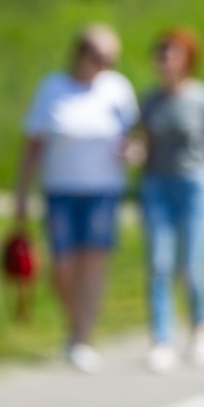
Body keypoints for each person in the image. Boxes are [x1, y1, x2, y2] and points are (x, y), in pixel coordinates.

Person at [14, 24, 139, 373]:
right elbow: (33, 145)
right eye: (100, 57)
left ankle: (83, 336)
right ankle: (74, 324)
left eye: (111, 59)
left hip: (103, 190)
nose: (105, 65)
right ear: (79, 54)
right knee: (63, 266)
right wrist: (21, 193)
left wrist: (133, 152)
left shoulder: (117, 89)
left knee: (94, 263)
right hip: (61, 190)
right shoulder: (52, 88)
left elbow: (133, 135)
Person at [136, 28, 204, 373]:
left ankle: (201, 329)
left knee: (190, 265)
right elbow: (143, 141)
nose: (163, 57)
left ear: (187, 58)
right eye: (159, 50)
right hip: (157, 184)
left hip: (195, 184)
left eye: (171, 51)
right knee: (159, 264)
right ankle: (162, 339)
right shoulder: (149, 101)